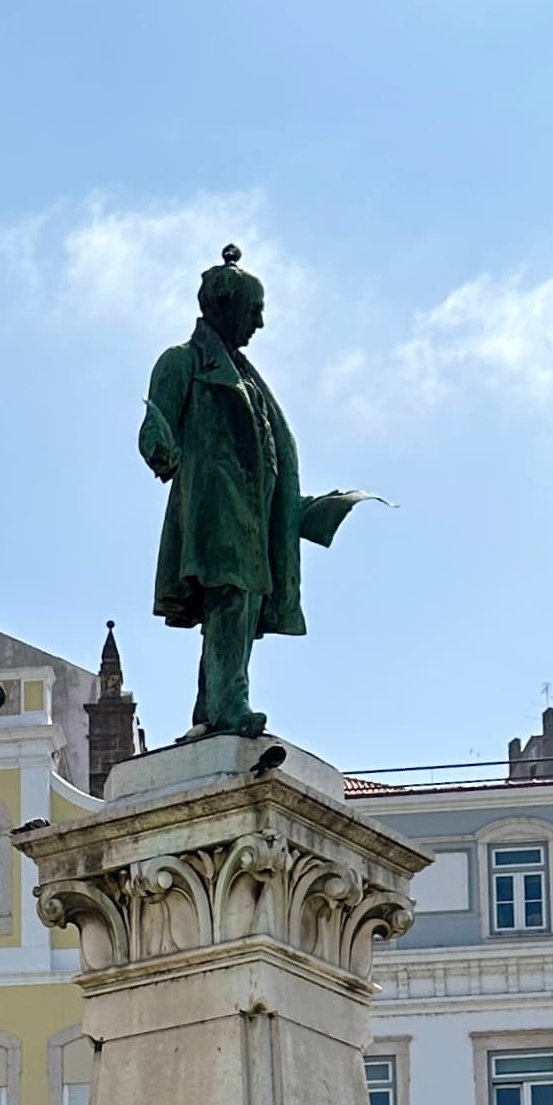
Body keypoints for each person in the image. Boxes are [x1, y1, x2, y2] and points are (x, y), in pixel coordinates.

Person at [139, 248, 368, 738]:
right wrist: (162, 450)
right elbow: (155, 422)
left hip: (254, 515)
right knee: (230, 600)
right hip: (214, 510)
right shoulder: (183, 362)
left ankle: (211, 706)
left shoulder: (248, 377)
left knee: (239, 610)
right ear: (225, 306)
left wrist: (300, 508)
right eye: (254, 309)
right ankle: (229, 706)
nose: (260, 322)